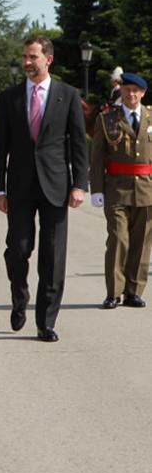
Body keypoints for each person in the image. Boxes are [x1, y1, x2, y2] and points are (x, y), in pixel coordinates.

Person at [0, 35, 89, 342]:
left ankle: (46, 321)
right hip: (19, 186)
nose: (27, 62)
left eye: (32, 57)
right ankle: (19, 295)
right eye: (24, 56)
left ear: (49, 59)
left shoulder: (67, 95)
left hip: (56, 186)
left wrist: (80, 184)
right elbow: (0, 146)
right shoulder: (9, 98)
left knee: (53, 256)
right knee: (18, 249)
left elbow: (78, 143)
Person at [90, 72, 152, 309]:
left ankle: (133, 291)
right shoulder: (107, 119)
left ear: (143, 93)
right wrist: (96, 189)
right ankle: (114, 292)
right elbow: (97, 157)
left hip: (146, 189)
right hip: (116, 188)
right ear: (121, 92)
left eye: (136, 90)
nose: (131, 94)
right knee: (118, 239)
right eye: (127, 90)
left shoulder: (150, 117)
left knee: (142, 243)